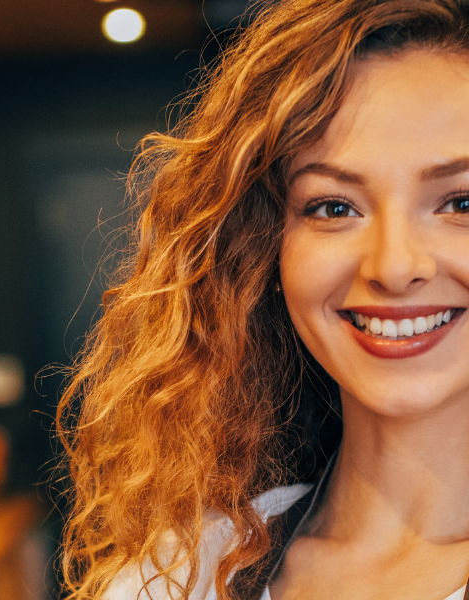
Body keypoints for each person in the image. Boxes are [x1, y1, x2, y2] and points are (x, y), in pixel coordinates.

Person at [56, 1, 469, 598]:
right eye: (333, 207)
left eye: (460, 203)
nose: (395, 266)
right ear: (261, 249)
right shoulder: (178, 577)